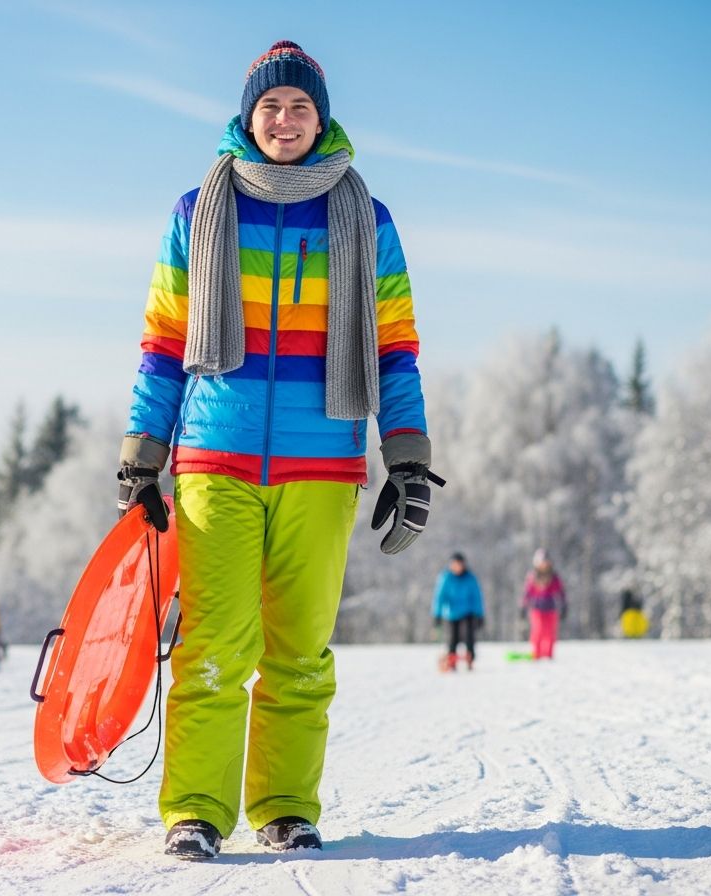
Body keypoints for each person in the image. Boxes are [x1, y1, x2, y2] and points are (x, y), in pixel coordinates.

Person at [117, 40, 431, 859]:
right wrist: (143, 456)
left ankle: (286, 808)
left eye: (299, 107)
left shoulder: (366, 218)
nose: (284, 120)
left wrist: (406, 457)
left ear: (320, 119)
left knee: (298, 651)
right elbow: (163, 343)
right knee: (214, 645)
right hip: (214, 457)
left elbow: (394, 347)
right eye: (271, 107)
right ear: (246, 116)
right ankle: (195, 812)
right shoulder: (198, 211)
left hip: (324, 461)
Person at [432, 552, 484, 671]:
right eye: (454, 564)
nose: (456, 567)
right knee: (452, 639)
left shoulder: (470, 578)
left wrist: (480, 614)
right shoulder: (446, 577)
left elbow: (477, 597)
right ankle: (451, 661)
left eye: (459, 564)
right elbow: (439, 597)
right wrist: (437, 615)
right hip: (451, 613)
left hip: (468, 612)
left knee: (469, 636)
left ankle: (470, 659)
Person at [521, 548, 566, 660]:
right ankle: (536, 653)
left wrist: (564, 605)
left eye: (546, 562)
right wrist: (523, 606)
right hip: (537, 609)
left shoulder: (554, 578)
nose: (544, 565)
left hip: (551, 609)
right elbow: (527, 593)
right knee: (538, 632)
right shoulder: (532, 577)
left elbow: (561, 592)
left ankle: (549, 654)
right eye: (542, 562)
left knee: (550, 633)